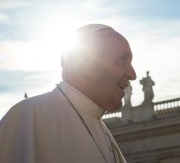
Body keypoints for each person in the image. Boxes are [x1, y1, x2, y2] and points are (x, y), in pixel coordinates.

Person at [0, 24, 136, 163]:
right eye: (122, 60)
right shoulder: (28, 117)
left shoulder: (101, 129)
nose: (133, 75)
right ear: (84, 64)